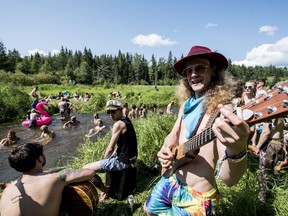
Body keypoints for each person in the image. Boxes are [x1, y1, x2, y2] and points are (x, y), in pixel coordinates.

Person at [144, 45, 250, 215]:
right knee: (148, 210)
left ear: (214, 71)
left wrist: (238, 149)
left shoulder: (223, 111)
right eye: (188, 71)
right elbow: (174, 133)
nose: (193, 74)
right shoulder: (187, 104)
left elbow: (229, 180)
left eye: (200, 68)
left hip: (196, 197)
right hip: (171, 179)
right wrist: (165, 149)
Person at [0, 142, 106, 216]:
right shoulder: (56, 177)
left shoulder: (7, 190)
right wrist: (60, 171)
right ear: (40, 158)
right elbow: (90, 173)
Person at [83, 100, 138, 201]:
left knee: (86, 169)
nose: (110, 115)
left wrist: (105, 161)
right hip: (130, 159)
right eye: (108, 112)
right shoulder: (127, 120)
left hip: (124, 161)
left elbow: (110, 148)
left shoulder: (119, 124)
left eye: (113, 112)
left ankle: (105, 190)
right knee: (108, 158)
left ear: (120, 110)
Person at [254, 118, 285, 202]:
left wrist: (257, 147)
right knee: (271, 170)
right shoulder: (280, 113)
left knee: (264, 172)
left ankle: (263, 198)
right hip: (279, 143)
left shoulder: (269, 114)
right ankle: (271, 192)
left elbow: (266, 132)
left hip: (270, 145)